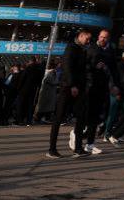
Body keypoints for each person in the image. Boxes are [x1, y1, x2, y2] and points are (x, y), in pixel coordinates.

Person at [48, 29, 92, 159]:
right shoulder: (71, 48)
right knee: (59, 117)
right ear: (81, 36)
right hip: (68, 88)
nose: (88, 41)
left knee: (81, 118)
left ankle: (78, 148)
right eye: (87, 38)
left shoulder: (82, 50)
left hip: (79, 88)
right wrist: (72, 85)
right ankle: (52, 149)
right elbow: (67, 67)